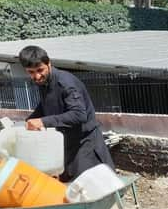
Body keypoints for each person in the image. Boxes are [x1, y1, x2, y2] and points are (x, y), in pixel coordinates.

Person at [18, 45, 115, 182]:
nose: (37, 76)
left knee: (90, 187)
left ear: (49, 63)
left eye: (40, 70)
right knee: (66, 187)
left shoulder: (66, 83)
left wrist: (43, 122)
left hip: (85, 145)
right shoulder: (45, 83)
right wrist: (30, 120)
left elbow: (79, 114)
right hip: (66, 144)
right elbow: (46, 104)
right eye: (31, 72)